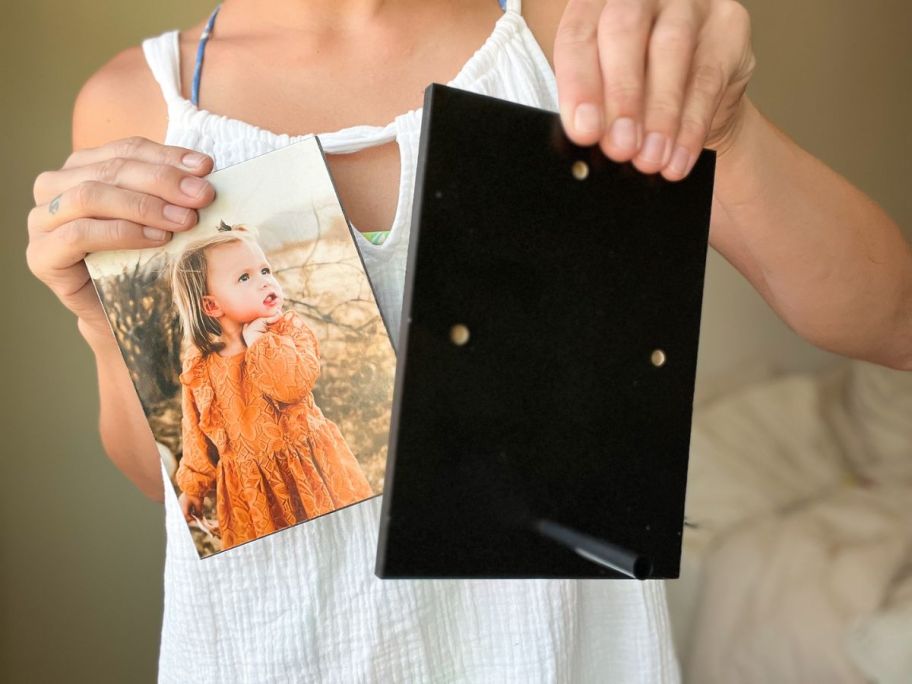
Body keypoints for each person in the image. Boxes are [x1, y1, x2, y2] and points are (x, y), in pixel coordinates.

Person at [24, 0, 911, 681]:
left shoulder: (573, 40)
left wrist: (733, 134)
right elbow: (176, 478)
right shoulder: (134, 104)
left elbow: (890, 320)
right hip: (268, 656)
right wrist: (105, 330)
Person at [170, 224, 374, 551]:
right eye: (245, 277)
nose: (265, 280)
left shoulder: (288, 332)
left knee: (339, 545)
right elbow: (195, 430)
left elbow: (291, 385)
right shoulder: (201, 365)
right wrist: (193, 487)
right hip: (252, 493)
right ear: (211, 306)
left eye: (265, 269)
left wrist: (261, 343)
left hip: (309, 472)